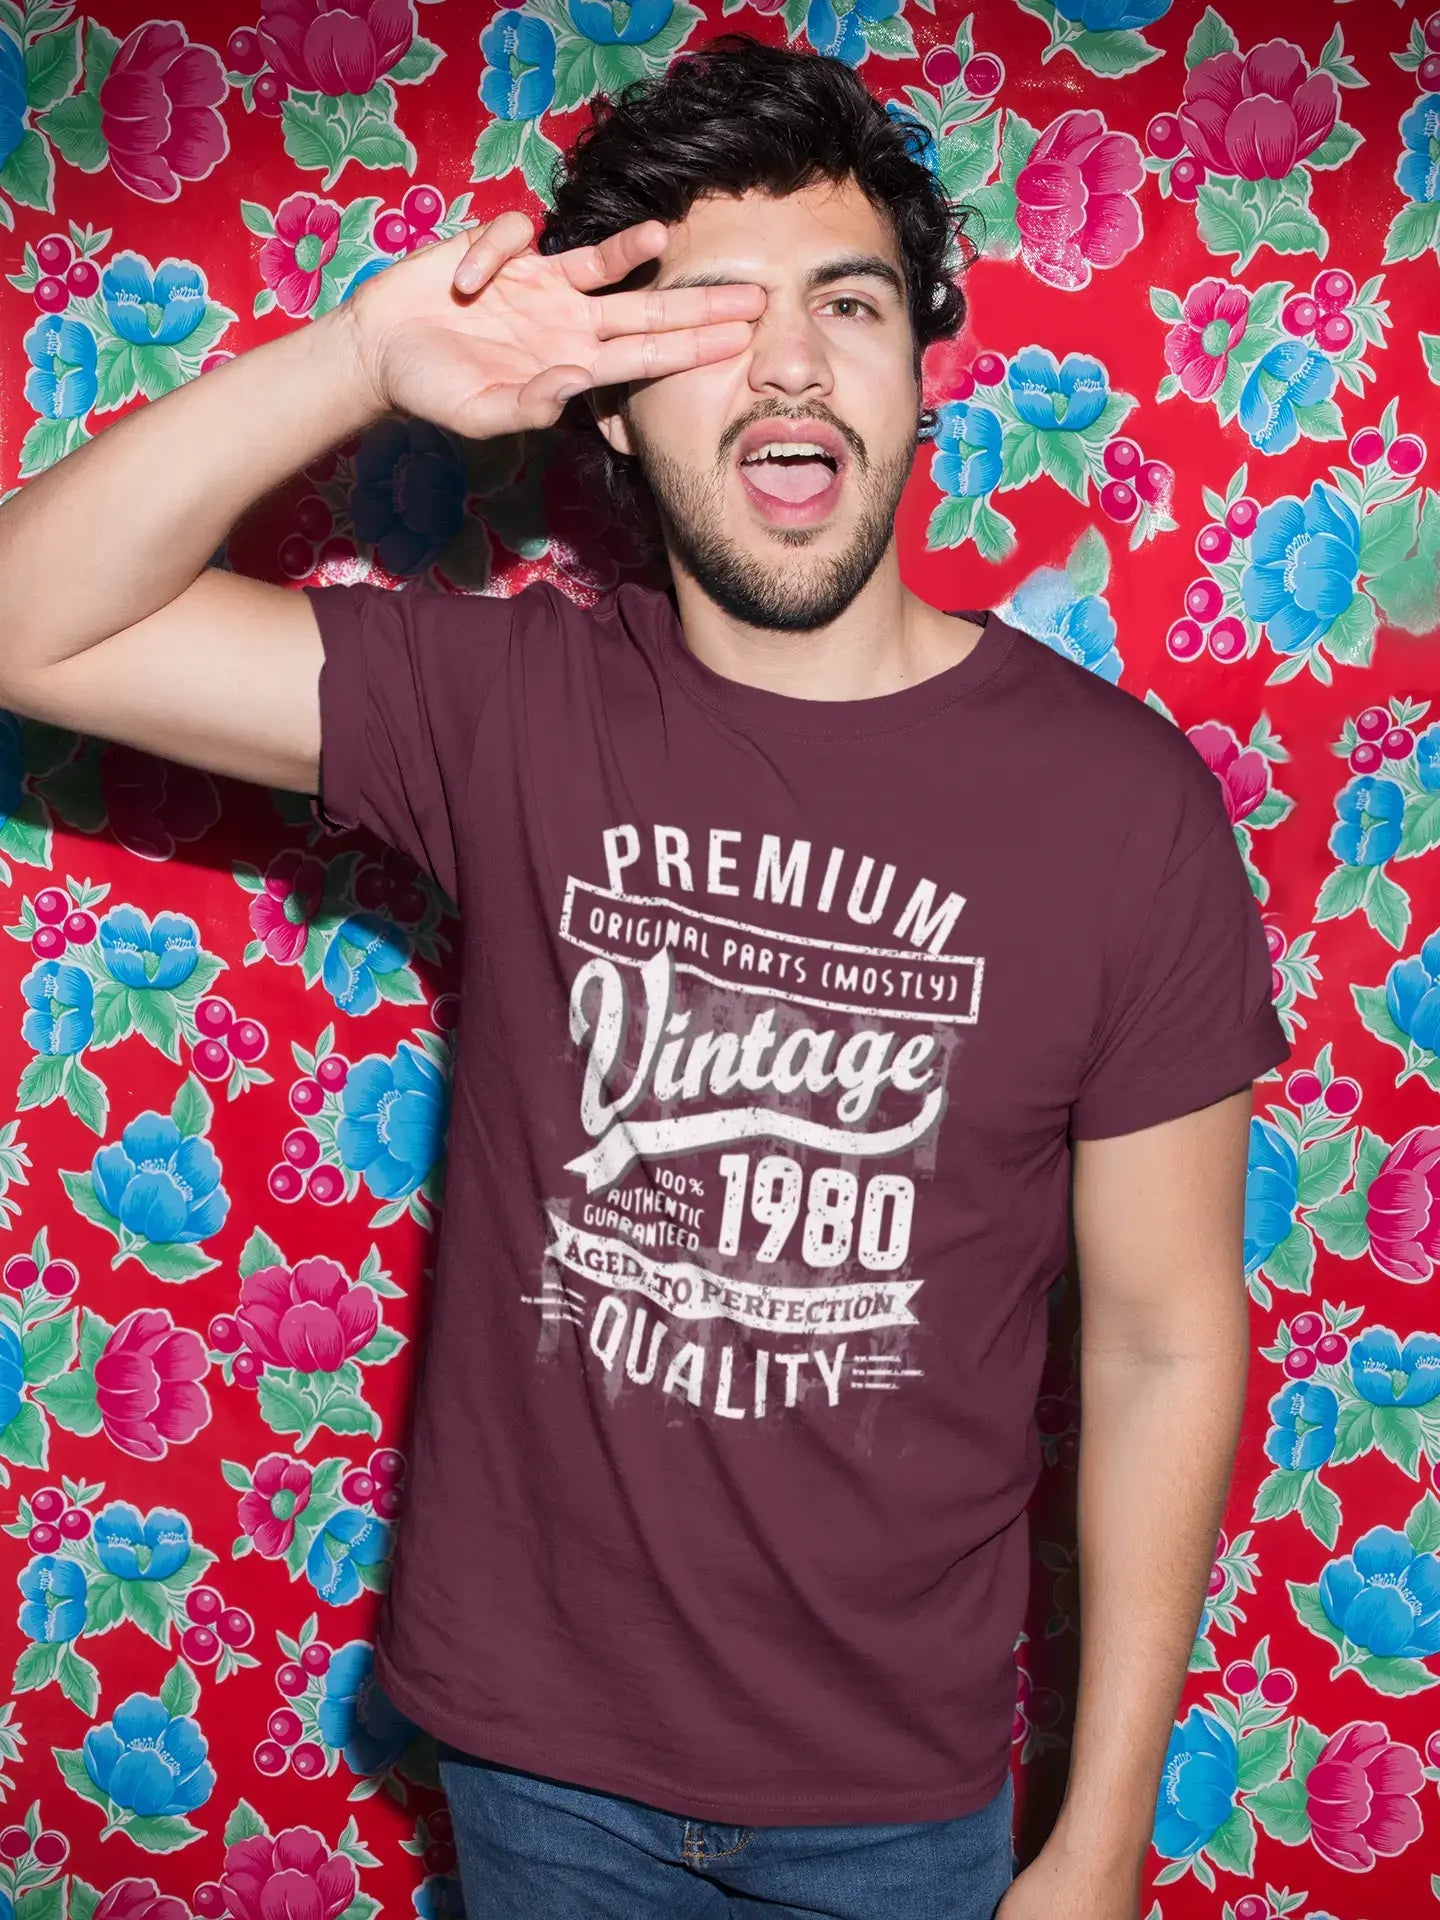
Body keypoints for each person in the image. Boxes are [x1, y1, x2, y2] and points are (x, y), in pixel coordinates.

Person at [0, 35, 1288, 1920]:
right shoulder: (514, 709)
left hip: (896, 1803)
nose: (789, 363)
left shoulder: (1122, 808)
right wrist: (355, 361)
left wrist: (1097, 1841)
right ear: (607, 408)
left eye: (848, 304)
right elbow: (31, 625)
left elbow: (1167, 1339)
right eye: (711, 317)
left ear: (922, 370)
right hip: (543, 1777)